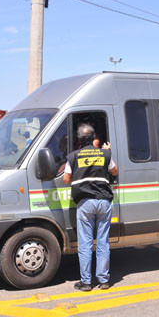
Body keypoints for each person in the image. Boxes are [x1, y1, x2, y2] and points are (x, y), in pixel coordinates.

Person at [63, 123, 118, 291]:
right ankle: (103, 280)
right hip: (103, 202)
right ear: (94, 137)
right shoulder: (104, 154)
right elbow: (114, 171)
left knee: (85, 242)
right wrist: (107, 151)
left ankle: (86, 282)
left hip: (85, 203)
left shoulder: (73, 156)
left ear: (79, 139)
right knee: (103, 241)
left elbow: (66, 179)